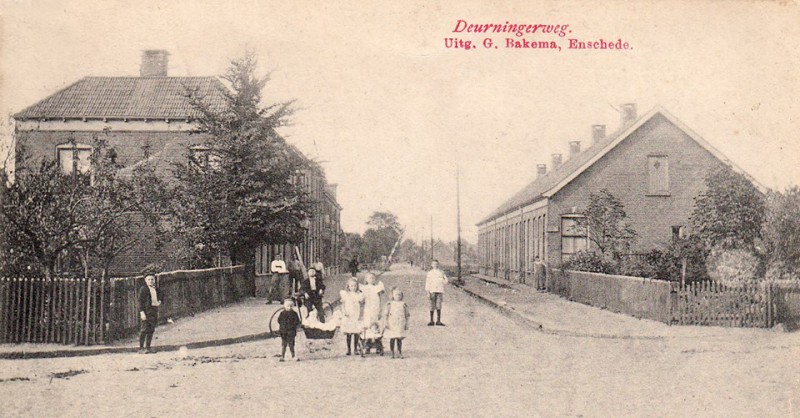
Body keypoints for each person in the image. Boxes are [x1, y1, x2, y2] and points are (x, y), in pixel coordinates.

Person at [339, 277, 365, 356]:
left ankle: (355, 349)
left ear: (357, 286)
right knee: (349, 333)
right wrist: (344, 312)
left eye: (355, 286)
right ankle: (349, 349)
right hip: (348, 314)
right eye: (351, 286)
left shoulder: (359, 294)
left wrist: (361, 314)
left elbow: (362, 304)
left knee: (356, 332)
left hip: (355, 314)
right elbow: (343, 304)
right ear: (348, 286)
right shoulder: (345, 294)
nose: (353, 287)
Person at [382, 287, 410, 359]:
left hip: (400, 323)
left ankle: (399, 351)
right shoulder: (389, 304)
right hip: (392, 323)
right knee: (392, 338)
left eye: (399, 295)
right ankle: (392, 352)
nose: (398, 296)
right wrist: (385, 323)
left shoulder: (403, 304)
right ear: (392, 295)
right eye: (396, 294)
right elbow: (386, 314)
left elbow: (407, 315)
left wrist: (407, 323)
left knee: (399, 338)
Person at [137, 274, 162, 354]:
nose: (151, 281)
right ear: (145, 280)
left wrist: (159, 302)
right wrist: (142, 312)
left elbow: (161, 295)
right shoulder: (143, 289)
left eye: (152, 279)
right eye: (149, 279)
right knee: (144, 330)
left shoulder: (156, 289)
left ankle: (148, 347)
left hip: (153, 311)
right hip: (146, 311)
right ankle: (141, 348)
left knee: (151, 329)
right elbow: (140, 302)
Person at [425, 259, 448, 326]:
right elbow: (427, 283)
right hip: (432, 291)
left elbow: (446, 282)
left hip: (440, 291)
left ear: (438, 265)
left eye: (436, 264)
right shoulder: (429, 273)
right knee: (431, 306)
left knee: (438, 306)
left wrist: (443, 278)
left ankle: (438, 321)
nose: (435, 265)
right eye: (434, 264)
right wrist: (427, 292)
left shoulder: (441, 272)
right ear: (432, 265)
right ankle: (431, 321)